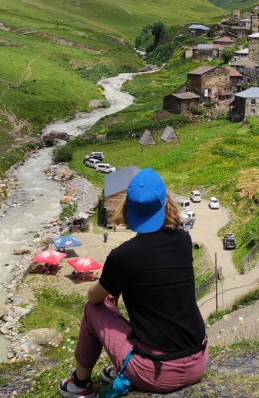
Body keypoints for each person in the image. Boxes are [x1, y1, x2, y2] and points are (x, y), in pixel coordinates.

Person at [59, 169, 207, 397]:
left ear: (129, 208)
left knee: (92, 310)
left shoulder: (122, 256)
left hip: (156, 372)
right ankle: (121, 365)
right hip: (197, 361)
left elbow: (94, 297)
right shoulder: (183, 239)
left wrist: (110, 290)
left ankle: (80, 383)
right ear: (165, 202)